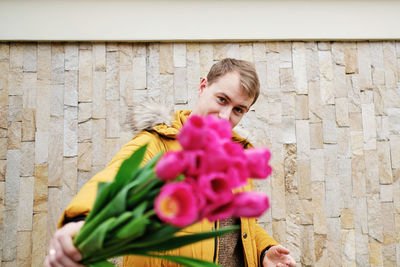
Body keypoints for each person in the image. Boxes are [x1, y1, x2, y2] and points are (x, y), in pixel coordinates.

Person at [45, 58, 296, 267]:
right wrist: (80, 223)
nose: (225, 116)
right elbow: (112, 181)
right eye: (222, 99)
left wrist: (264, 250)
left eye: (238, 110)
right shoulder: (156, 142)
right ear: (203, 87)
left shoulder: (236, 157)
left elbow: (237, 225)